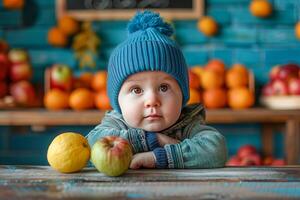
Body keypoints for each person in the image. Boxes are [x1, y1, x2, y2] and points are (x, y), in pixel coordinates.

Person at [86, 10, 227, 169]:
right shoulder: (117, 124)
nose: (152, 100)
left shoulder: (187, 124)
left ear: (182, 94)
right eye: (136, 90)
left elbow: (217, 150)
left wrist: (158, 157)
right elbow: (90, 145)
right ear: (117, 100)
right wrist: (151, 139)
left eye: (164, 87)